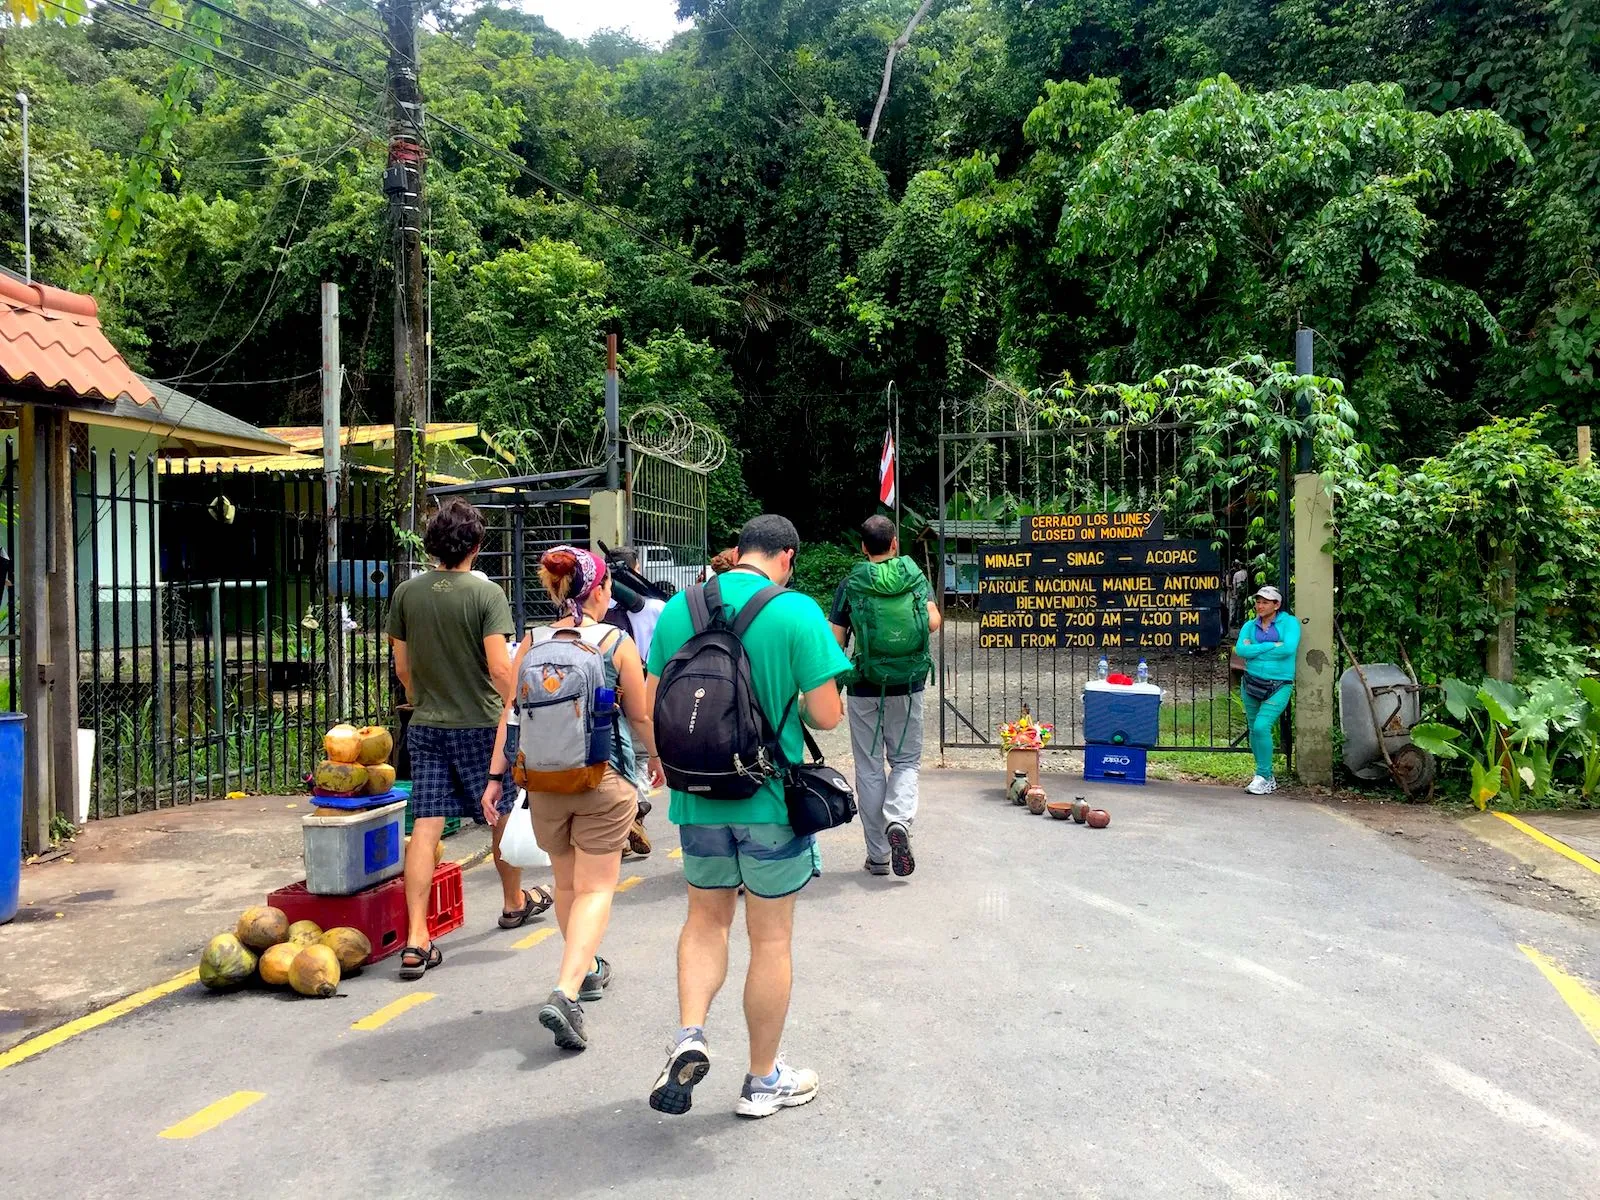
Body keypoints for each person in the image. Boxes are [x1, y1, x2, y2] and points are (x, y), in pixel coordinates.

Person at [645, 514, 849, 1119]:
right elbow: (828, 717)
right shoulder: (796, 612)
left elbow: (657, 703)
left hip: (696, 798)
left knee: (706, 922)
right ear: (787, 556)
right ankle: (762, 1081)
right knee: (771, 938)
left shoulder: (680, 608)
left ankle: (689, 1034)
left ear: (738, 553)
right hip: (768, 802)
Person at [494, 545, 664, 1051]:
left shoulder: (530, 642)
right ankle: (566, 990)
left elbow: (512, 717)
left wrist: (493, 779)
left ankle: (586, 968)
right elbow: (639, 715)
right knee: (595, 890)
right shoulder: (616, 642)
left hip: (544, 785)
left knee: (567, 888)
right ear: (602, 591)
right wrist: (655, 757)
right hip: (602, 780)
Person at [387, 499, 552, 980]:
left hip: (427, 725)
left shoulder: (407, 594)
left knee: (426, 828)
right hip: (482, 724)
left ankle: (417, 938)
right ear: (477, 547)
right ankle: (511, 901)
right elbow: (501, 667)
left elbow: (402, 667)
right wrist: (515, 710)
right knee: (498, 812)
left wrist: (425, 700)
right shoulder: (486, 596)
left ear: (432, 544)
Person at [829, 515, 941, 878]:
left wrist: (832, 689)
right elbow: (934, 622)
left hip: (864, 686)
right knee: (906, 761)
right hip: (907, 684)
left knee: (869, 768)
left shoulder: (851, 583)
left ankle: (878, 856)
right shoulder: (913, 577)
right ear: (895, 543)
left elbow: (836, 642)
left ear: (863, 547)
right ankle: (899, 822)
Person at [600, 546, 664, 858]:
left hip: (601, 696)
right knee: (638, 757)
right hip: (641, 690)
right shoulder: (653, 608)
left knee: (609, 761)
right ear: (634, 568)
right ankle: (633, 811)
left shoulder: (595, 606)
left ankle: (622, 824)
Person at [1234, 584, 1299, 795]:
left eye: (1265, 602)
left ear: (1276, 605)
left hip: (1279, 684)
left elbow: (1288, 648)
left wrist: (1255, 651)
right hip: (1251, 682)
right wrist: (1271, 646)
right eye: (1258, 602)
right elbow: (1241, 650)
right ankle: (1264, 775)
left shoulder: (1289, 623)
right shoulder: (1249, 625)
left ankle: (1264, 775)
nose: (1260, 606)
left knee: (1262, 726)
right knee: (1254, 729)